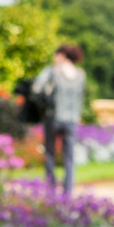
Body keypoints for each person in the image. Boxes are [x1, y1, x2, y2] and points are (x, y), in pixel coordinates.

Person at [36, 44, 86, 196]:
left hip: (54, 116)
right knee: (69, 157)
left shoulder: (53, 71)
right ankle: (68, 191)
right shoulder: (80, 74)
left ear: (62, 55)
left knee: (50, 153)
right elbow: (80, 97)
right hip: (72, 119)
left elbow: (37, 87)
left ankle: (50, 189)